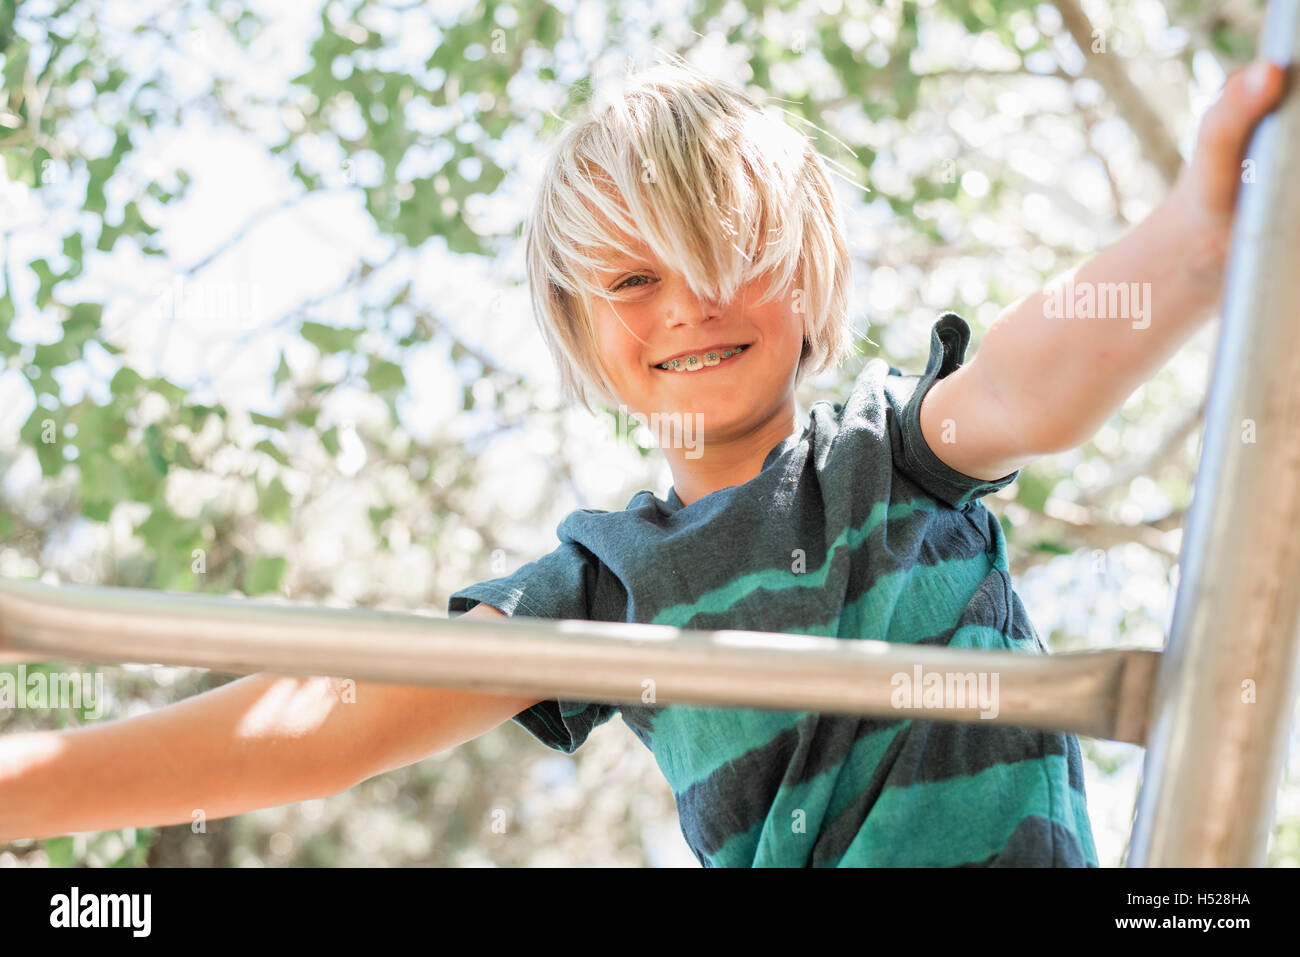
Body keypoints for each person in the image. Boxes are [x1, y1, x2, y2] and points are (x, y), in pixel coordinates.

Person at [0, 53, 1285, 866]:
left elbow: (1022, 381)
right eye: (632, 277)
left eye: (733, 257)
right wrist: (28, 785)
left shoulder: (890, 460)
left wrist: (1189, 240)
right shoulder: (601, 588)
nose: (693, 304)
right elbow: (328, 724)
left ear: (810, 286)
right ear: (575, 326)